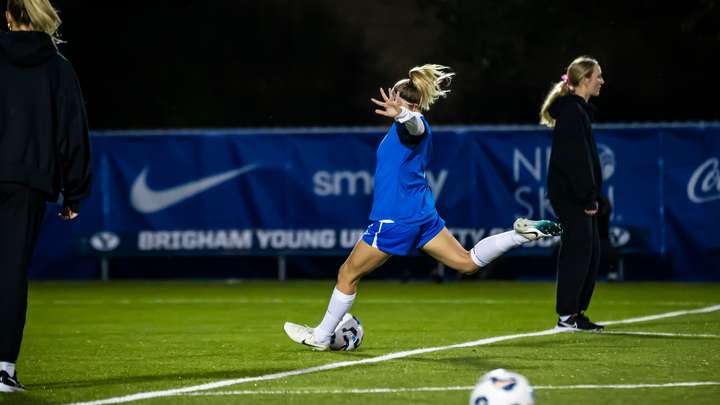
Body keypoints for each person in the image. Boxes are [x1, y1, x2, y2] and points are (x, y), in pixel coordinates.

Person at [284, 64, 562, 350]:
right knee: (466, 262)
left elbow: (414, 127)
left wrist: (405, 114)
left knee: (347, 274)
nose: (391, 104)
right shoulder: (403, 127)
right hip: (421, 215)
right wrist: (403, 114)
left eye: (397, 100)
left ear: (412, 105)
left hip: (397, 218)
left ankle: (320, 337)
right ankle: (519, 234)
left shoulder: (413, 126)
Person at [0, 0, 91, 392]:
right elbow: (72, 133)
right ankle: (3, 369)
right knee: (9, 275)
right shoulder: (57, 67)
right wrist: (75, 190)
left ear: (7, 16)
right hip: (26, 182)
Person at [539, 56, 605, 331]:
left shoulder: (577, 111)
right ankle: (567, 315)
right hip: (571, 196)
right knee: (578, 253)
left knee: (590, 252)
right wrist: (587, 196)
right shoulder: (571, 113)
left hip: (576, 194)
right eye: (598, 76)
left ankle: (574, 312)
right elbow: (574, 160)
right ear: (584, 80)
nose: (601, 81)